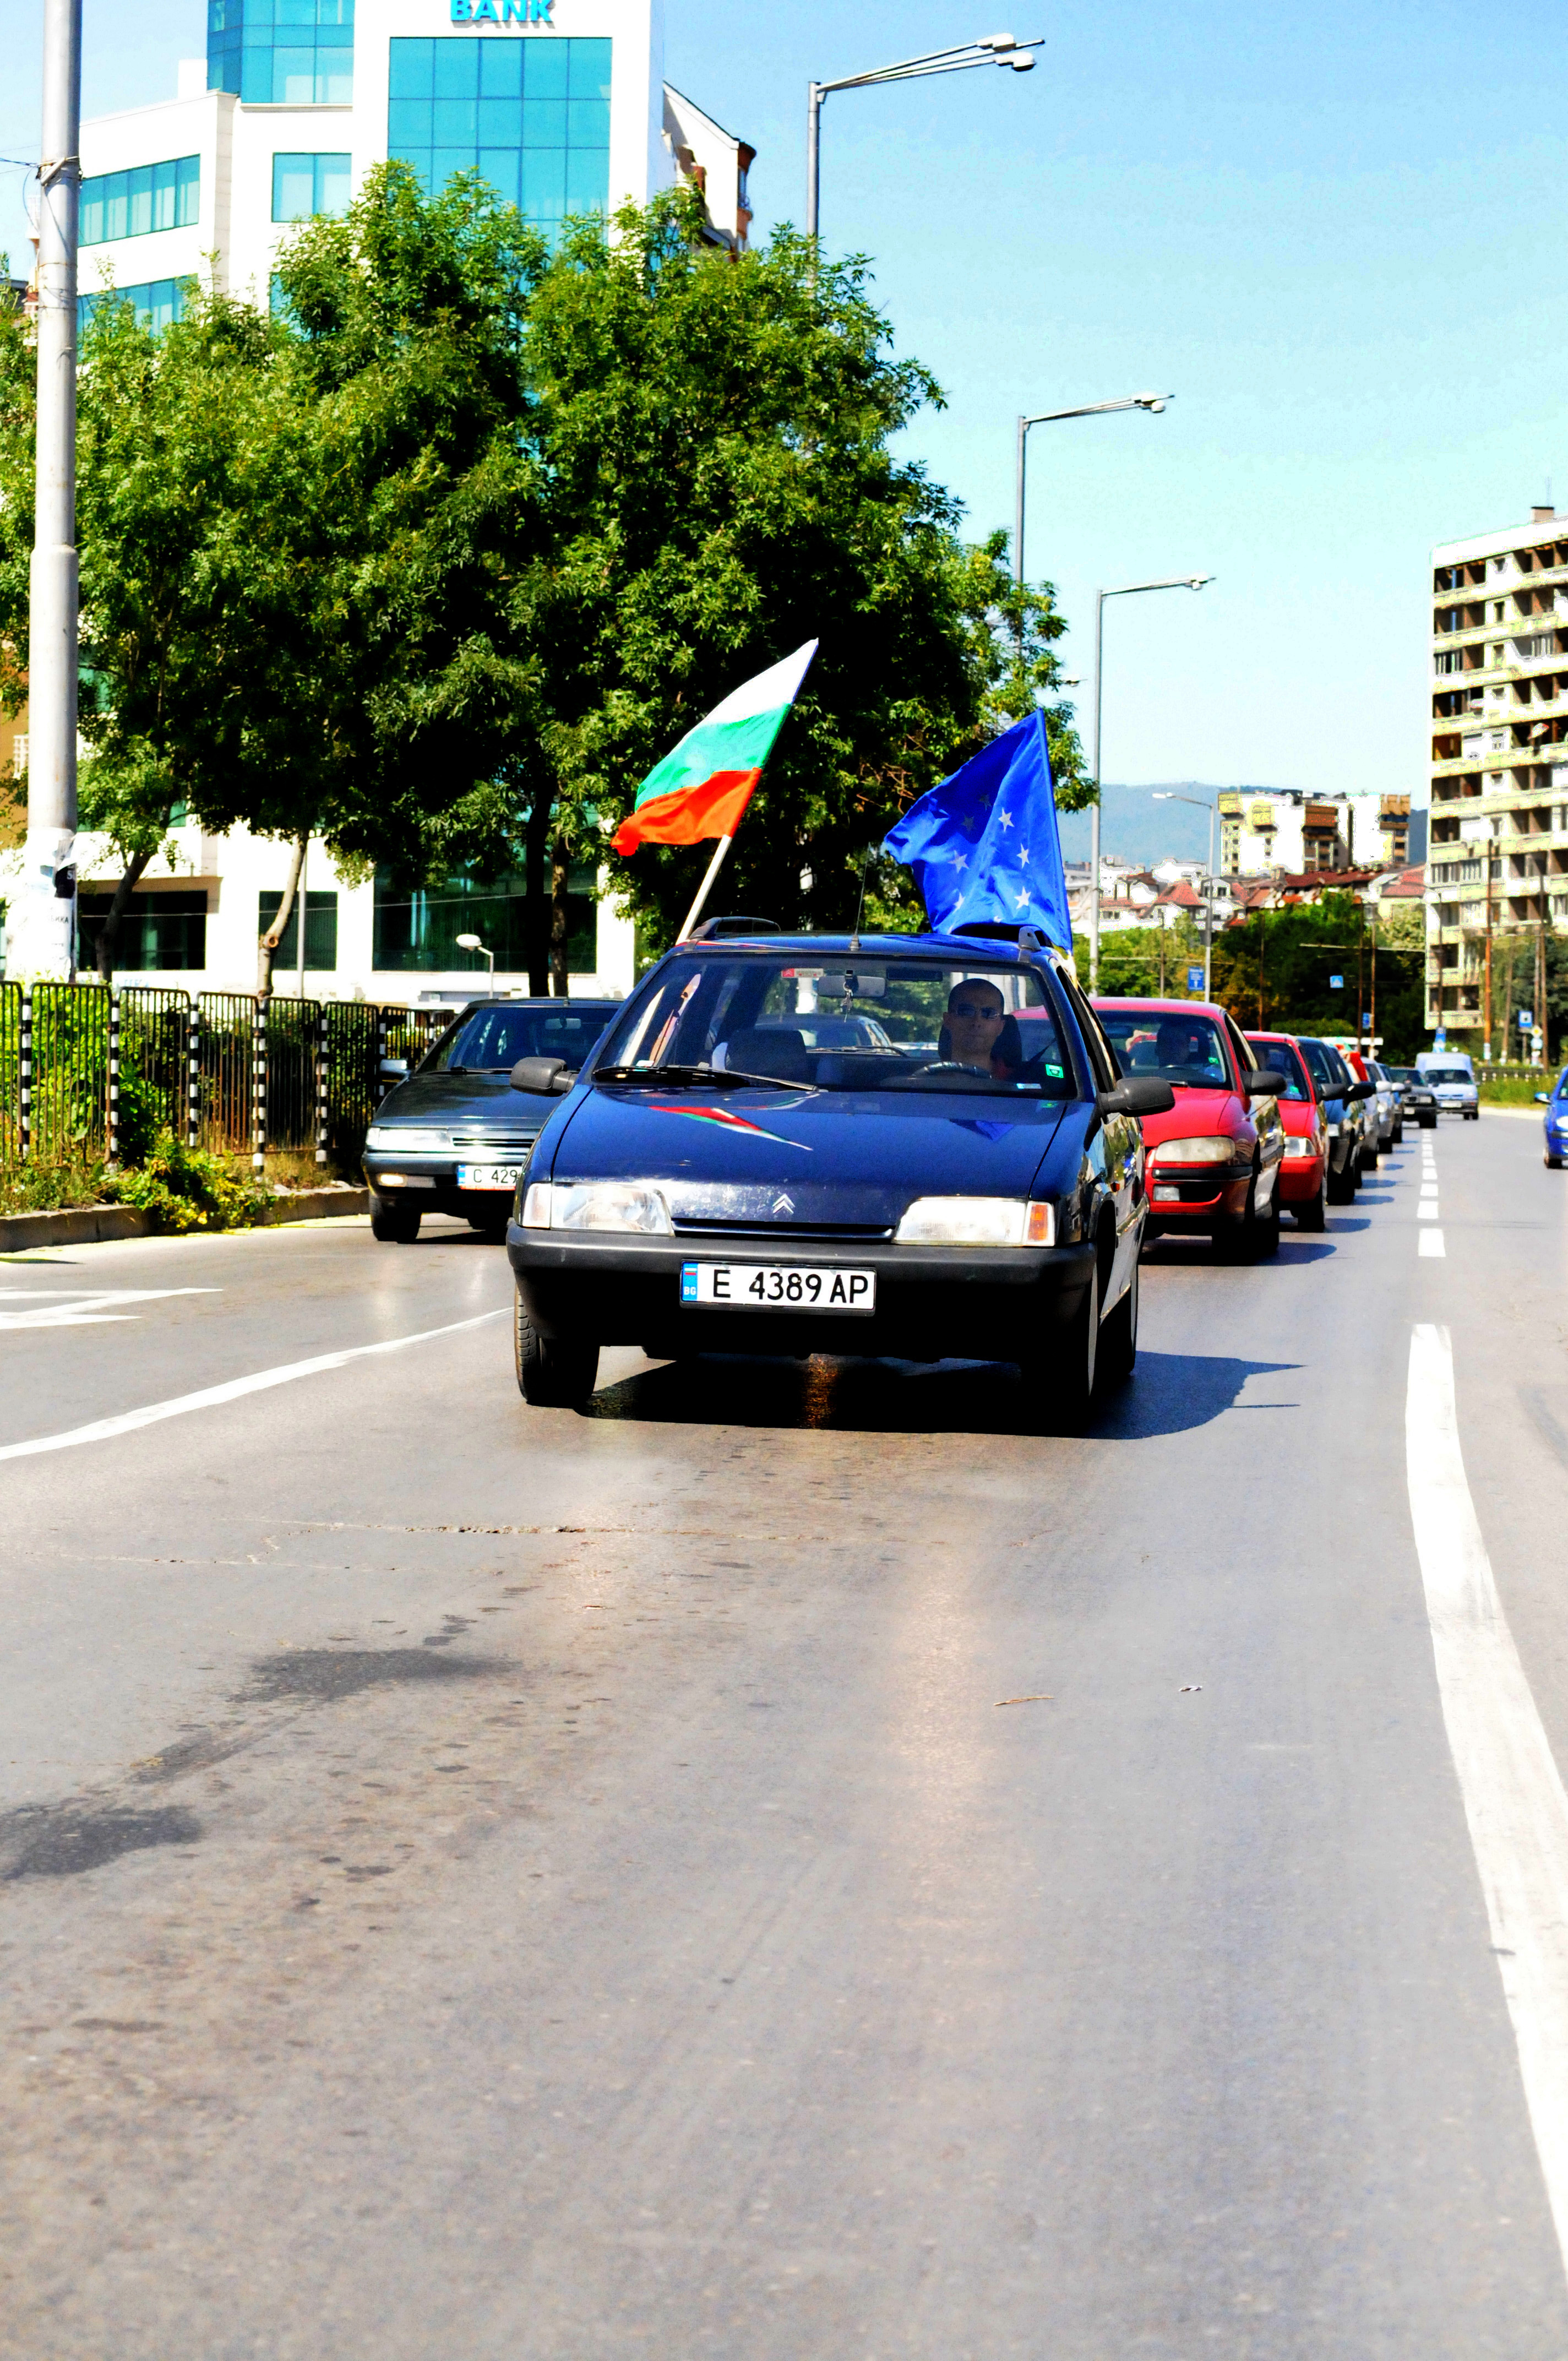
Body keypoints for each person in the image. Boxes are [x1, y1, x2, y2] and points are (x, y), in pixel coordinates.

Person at [944, 979, 1014, 1076]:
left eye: (989, 1013)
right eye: (966, 1012)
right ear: (948, 1021)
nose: (977, 1022)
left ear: (1000, 1027)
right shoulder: (925, 1083)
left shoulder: (1018, 1085)